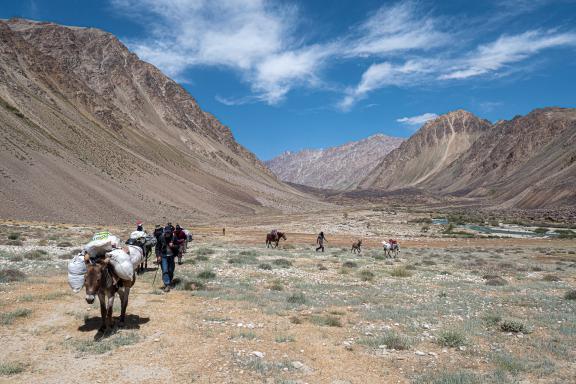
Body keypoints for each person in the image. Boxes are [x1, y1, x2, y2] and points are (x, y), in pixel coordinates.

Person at [158, 226, 177, 292]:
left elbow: (178, 246)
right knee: (165, 270)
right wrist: (158, 256)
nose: (168, 234)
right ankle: (167, 284)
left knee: (171, 270)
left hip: (171, 256)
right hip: (163, 256)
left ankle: (169, 281)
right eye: (166, 232)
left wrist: (173, 246)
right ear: (164, 232)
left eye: (169, 232)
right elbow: (157, 248)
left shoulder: (174, 237)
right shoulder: (161, 237)